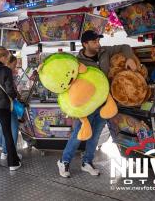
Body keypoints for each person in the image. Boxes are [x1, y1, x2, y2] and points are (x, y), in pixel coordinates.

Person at [57, 30, 137, 178]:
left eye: (98, 41)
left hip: (104, 103)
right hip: (86, 107)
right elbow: (68, 84)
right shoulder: (76, 62)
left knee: (95, 136)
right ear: (85, 44)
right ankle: (64, 161)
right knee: (78, 135)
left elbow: (125, 46)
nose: (98, 44)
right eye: (94, 42)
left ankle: (87, 162)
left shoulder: (104, 52)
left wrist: (130, 58)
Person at [0, 55, 22, 160]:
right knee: (13, 129)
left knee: (6, 128)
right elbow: (10, 90)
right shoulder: (7, 72)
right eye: (14, 65)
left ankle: (5, 151)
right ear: (8, 62)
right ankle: (9, 153)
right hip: (8, 105)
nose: (15, 68)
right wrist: (16, 96)